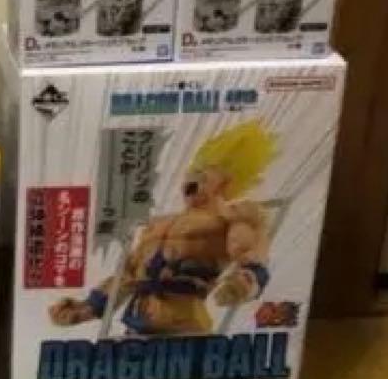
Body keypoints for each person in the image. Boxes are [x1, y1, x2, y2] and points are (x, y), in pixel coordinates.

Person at [49, 120, 276, 335]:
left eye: (203, 174)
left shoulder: (233, 216)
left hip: (185, 325)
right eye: (191, 172)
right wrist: (88, 308)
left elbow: (252, 259)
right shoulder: (157, 224)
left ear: (226, 181)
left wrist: (245, 282)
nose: (192, 179)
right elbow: (128, 274)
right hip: (137, 325)